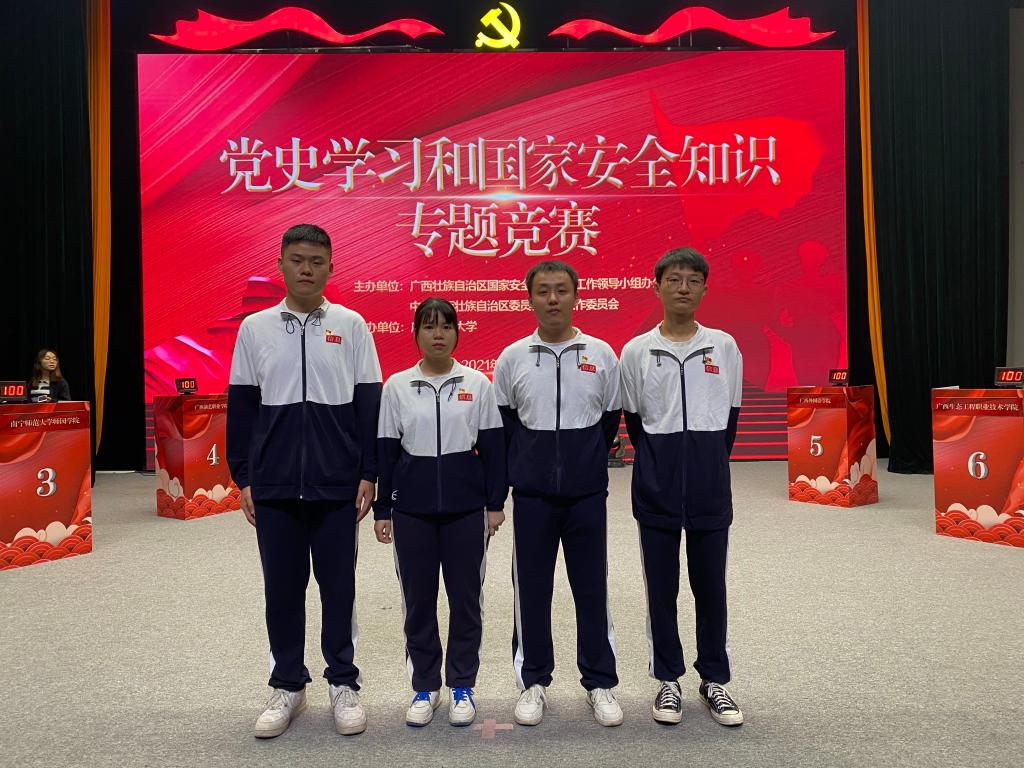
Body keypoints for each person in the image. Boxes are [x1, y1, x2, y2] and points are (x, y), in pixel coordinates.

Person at [226, 224, 382, 739]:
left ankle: (344, 682)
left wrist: (368, 472)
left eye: (317, 261)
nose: (307, 269)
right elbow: (243, 407)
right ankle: (288, 684)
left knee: (339, 589)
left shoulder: (351, 325)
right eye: (297, 260)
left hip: (337, 485)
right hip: (274, 486)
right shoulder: (255, 328)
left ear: (331, 267)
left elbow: (369, 403)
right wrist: (244, 477)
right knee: (282, 590)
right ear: (281, 265)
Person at [493, 260, 623, 727]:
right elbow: (505, 426)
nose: (552, 299)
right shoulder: (513, 358)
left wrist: (582, 461)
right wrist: (529, 468)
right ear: (530, 298)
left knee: (591, 589)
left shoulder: (601, 354)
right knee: (531, 590)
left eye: (561, 290)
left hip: (587, 495)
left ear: (576, 296)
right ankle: (533, 681)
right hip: (532, 497)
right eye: (543, 291)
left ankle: (600, 682)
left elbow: (609, 420)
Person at [619, 246, 745, 727]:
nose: (683, 287)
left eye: (693, 280)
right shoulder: (637, 351)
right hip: (657, 486)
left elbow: (729, 419)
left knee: (711, 586)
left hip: (710, 486)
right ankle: (667, 678)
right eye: (674, 279)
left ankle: (714, 679)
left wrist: (706, 461)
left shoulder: (723, 347)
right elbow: (635, 422)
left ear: (705, 289)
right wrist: (662, 463)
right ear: (657, 287)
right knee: (662, 588)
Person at [373, 297, 507, 728]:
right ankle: (425, 686)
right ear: (415, 334)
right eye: (429, 326)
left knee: (466, 601)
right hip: (411, 511)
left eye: (446, 326)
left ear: (457, 333)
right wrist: (382, 509)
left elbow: (494, 449)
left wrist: (494, 504)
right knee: (418, 601)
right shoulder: (397, 387)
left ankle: (462, 684)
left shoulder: (477, 384)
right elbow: (386, 453)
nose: (438, 334)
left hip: (466, 511)